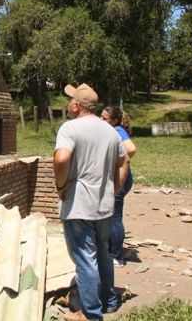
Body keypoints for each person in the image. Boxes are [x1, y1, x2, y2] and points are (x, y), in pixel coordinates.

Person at [54, 83, 126, 321]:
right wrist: (114, 188)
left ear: (75, 105)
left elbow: (62, 158)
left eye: (69, 101)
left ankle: (92, 314)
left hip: (78, 207)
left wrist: (61, 185)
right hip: (104, 206)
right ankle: (110, 301)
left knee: (85, 261)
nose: (68, 104)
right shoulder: (110, 131)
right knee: (103, 255)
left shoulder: (70, 128)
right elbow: (123, 161)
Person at [101, 106, 137, 267]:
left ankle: (116, 256)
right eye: (100, 117)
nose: (101, 121)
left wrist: (118, 163)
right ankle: (111, 251)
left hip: (120, 178)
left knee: (115, 218)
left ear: (114, 120)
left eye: (105, 118)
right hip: (118, 176)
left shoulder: (117, 130)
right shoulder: (112, 130)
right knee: (110, 216)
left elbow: (130, 149)